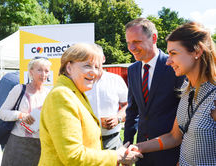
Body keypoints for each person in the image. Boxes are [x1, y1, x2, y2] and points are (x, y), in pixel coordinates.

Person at [39, 43, 143, 166]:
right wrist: (116, 155)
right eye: (87, 66)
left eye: (97, 67)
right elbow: (73, 156)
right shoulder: (61, 96)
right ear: (69, 68)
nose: (94, 72)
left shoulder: (74, 92)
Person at [128, 22, 216, 166]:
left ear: (197, 51)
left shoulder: (214, 97)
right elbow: (174, 137)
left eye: (173, 53)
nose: (168, 61)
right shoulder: (187, 91)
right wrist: (139, 147)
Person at [124, 18, 185, 166]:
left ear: (154, 38)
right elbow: (132, 111)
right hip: (141, 153)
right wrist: (126, 145)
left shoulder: (175, 66)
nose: (131, 47)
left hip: (171, 152)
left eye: (137, 42)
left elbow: (185, 113)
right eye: (128, 43)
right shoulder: (132, 70)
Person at [0, 57, 51, 166]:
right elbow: (2, 113)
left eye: (46, 71)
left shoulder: (49, 94)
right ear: (31, 72)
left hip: (41, 144)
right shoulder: (19, 89)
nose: (43, 74)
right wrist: (21, 115)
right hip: (18, 143)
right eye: (39, 70)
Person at [85, 55, 128, 150]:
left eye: (95, 57)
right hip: (86, 141)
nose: (92, 62)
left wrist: (118, 118)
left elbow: (128, 105)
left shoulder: (115, 80)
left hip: (111, 140)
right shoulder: (79, 81)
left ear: (103, 58)